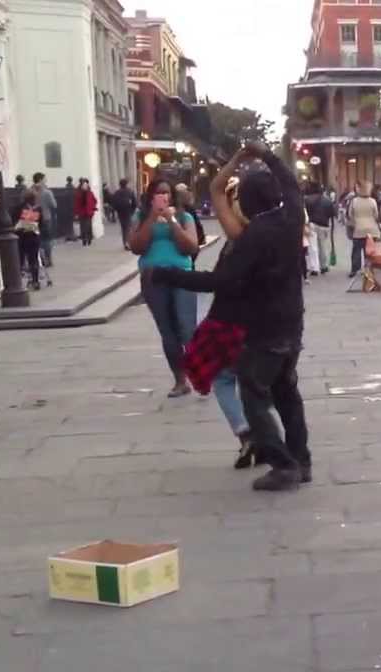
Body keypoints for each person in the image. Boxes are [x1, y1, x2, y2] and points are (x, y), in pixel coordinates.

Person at [149, 142, 312, 492]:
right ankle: (301, 459)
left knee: (254, 395)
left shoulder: (254, 236)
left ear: (249, 202)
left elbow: (219, 281)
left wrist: (169, 275)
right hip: (292, 323)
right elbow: (291, 184)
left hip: (263, 329)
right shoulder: (292, 216)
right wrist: (267, 156)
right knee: (287, 393)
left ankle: (283, 466)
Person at [178, 158, 258, 470]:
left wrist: (240, 156)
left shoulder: (240, 241)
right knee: (248, 382)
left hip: (233, 323)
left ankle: (251, 434)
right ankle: (261, 438)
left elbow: (215, 281)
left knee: (227, 379)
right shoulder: (266, 234)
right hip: (252, 322)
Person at [130, 180, 200, 398]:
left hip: (181, 275)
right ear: (151, 196)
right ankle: (180, 380)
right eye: (159, 193)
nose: (163, 197)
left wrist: (170, 219)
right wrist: (152, 217)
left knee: (187, 328)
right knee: (167, 331)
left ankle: (200, 374)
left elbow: (190, 246)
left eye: (167, 193)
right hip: (153, 278)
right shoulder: (140, 217)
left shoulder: (183, 217)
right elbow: (136, 246)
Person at [11, 191, 45, 291]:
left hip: (21, 237)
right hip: (34, 236)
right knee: (33, 260)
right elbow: (42, 223)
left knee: (20, 260)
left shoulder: (19, 207)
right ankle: (35, 281)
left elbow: (13, 220)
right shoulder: (38, 208)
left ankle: (19, 282)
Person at [348, 181, 381, 278]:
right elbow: (376, 215)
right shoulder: (372, 201)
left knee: (357, 250)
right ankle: (369, 269)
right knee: (370, 251)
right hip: (372, 229)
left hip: (359, 229)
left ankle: (355, 270)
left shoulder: (354, 201)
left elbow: (350, 214)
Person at [305, 182, 334, 275]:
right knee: (323, 246)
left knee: (313, 247)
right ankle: (323, 266)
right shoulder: (327, 200)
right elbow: (332, 213)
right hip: (324, 225)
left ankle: (314, 268)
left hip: (312, 224)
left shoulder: (307, 200)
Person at [32, 172, 58, 266]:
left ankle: (39, 258)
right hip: (45, 218)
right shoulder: (46, 192)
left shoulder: (29, 191)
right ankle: (48, 259)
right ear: (40, 180)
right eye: (44, 179)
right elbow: (54, 205)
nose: (45, 181)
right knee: (46, 239)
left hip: (32, 218)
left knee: (35, 239)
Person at [112, 179, 138, 250]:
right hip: (128, 212)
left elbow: (114, 203)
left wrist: (117, 211)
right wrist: (132, 211)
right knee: (128, 228)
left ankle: (125, 243)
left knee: (123, 228)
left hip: (120, 213)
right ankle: (128, 243)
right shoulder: (130, 192)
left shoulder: (116, 193)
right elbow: (135, 203)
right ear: (126, 184)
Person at [75, 178, 98, 246]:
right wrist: (76, 213)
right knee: (83, 226)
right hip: (82, 212)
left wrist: (92, 207)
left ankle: (89, 238)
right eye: (84, 185)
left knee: (88, 226)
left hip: (89, 212)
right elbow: (76, 204)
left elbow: (94, 200)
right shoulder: (78, 193)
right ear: (81, 186)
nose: (85, 186)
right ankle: (84, 239)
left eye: (86, 185)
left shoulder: (90, 193)